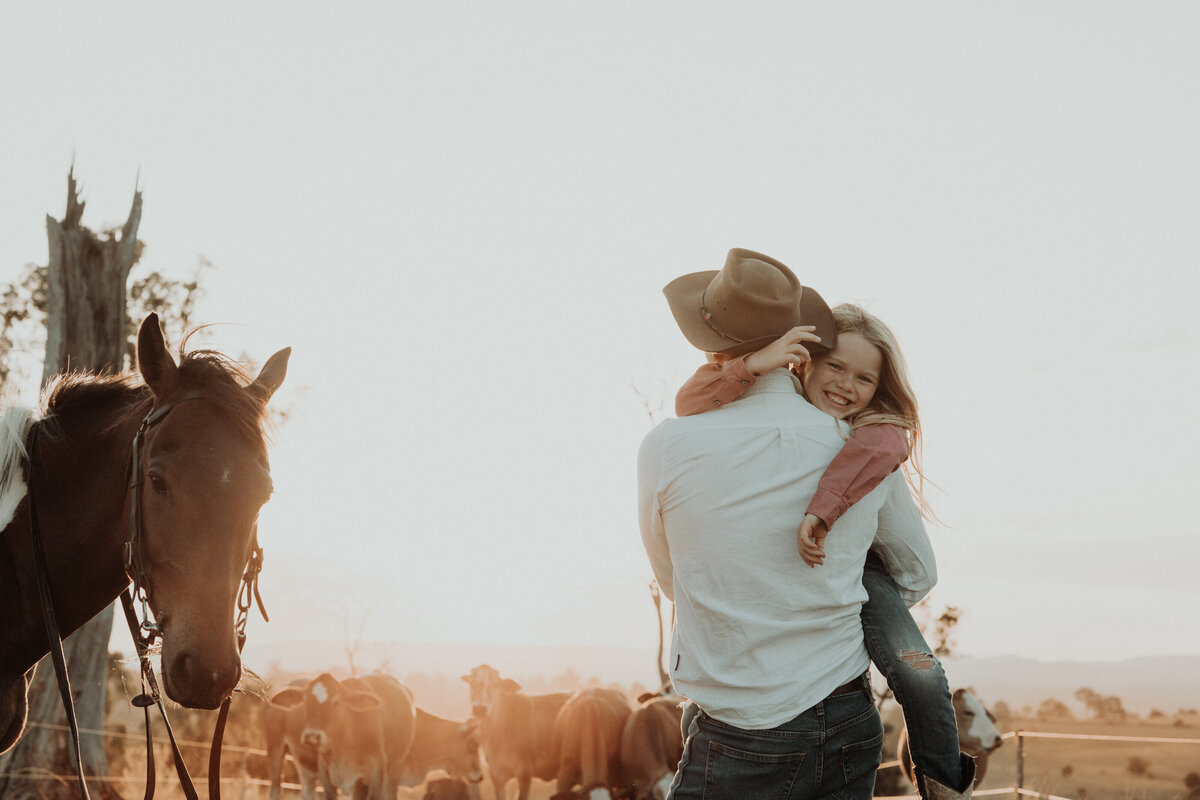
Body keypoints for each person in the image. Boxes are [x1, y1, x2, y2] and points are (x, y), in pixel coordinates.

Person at [638, 248, 939, 800]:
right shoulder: (860, 444)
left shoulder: (667, 446)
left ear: (712, 344)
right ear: (802, 346)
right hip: (844, 712)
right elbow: (917, 573)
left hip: (736, 720)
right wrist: (830, 594)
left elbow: (672, 579)